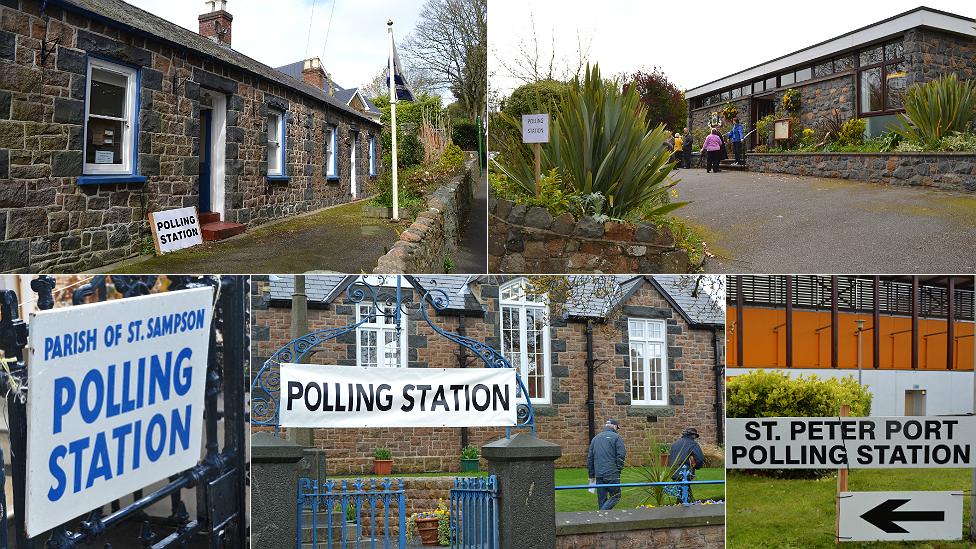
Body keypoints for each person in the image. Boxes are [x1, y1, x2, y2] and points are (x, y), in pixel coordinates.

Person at [587, 419, 626, 510]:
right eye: (617, 427)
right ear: (614, 426)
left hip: (599, 474)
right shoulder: (617, 437)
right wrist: (619, 468)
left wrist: (591, 475)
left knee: (602, 500)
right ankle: (600, 514)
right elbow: (621, 455)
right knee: (616, 496)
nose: (617, 429)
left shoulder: (595, 439)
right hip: (612, 473)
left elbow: (590, 458)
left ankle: (602, 521)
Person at [668, 427, 706, 502]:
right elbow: (699, 459)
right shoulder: (693, 444)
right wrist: (697, 466)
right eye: (695, 436)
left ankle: (682, 506)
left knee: (682, 493)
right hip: (685, 473)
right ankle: (685, 509)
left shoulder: (675, 444)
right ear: (693, 435)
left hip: (673, 472)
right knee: (685, 494)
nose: (695, 438)